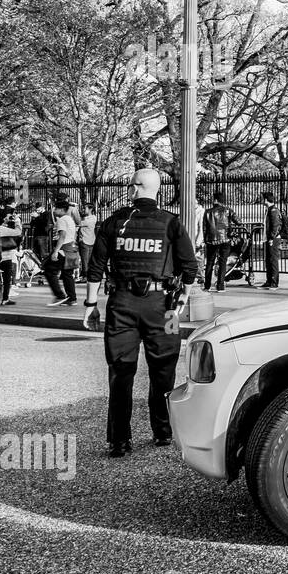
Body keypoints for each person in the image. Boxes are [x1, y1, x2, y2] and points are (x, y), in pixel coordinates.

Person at [81, 168, 198, 458]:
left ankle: (119, 440)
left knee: (120, 372)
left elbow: (95, 267)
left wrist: (91, 305)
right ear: (156, 190)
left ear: (134, 189)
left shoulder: (114, 222)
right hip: (166, 308)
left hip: (122, 305)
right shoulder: (171, 223)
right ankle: (163, 431)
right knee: (165, 369)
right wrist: (183, 296)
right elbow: (190, 267)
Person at [201, 190, 242, 292]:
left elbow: (204, 228)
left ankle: (207, 285)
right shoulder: (228, 210)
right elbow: (239, 222)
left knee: (209, 263)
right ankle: (220, 286)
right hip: (225, 239)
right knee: (222, 262)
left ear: (215, 200)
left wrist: (205, 240)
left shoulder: (207, 212)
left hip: (211, 240)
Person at [46, 197, 79, 307]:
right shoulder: (70, 219)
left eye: (55, 208)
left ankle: (60, 295)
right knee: (67, 274)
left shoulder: (61, 220)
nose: (54, 210)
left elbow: (62, 236)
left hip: (63, 249)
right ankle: (72, 298)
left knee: (49, 271)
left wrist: (55, 251)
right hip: (71, 249)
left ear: (61, 209)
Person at [0, 201, 21, 306]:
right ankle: (5, 298)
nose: (9, 218)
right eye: (8, 216)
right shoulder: (2, 229)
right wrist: (17, 221)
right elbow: (18, 232)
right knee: (6, 278)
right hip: (5, 256)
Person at [261, 190, 282, 290]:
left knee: (273, 261)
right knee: (268, 261)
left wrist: (271, 238)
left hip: (273, 239)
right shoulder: (269, 209)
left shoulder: (273, 210)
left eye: (262, 198)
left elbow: (275, 226)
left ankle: (274, 282)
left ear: (266, 199)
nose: (261, 200)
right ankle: (269, 281)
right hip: (268, 239)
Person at [76, 204, 98, 279]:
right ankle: (85, 274)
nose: (83, 210)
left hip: (86, 240)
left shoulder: (91, 219)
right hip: (89, 240)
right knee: (86, 260)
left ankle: (85, 275)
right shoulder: (88, 218)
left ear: (90, 209)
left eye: (84, 208)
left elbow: (78, 223)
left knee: (85, 260)